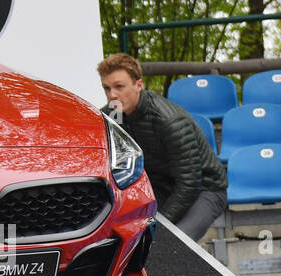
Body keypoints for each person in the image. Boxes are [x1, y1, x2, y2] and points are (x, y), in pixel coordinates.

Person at [97, 53, 227, 240]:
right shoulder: (112, 115)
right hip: (161, 186)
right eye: (107, 88)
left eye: (119, 87)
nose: (112, 95)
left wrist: (159, 225)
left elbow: (189, 183)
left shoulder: (169, 120)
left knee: (169, 243)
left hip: (204, 189)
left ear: (138, 85)